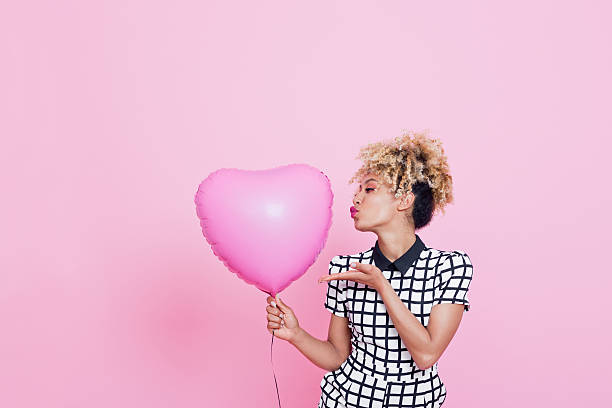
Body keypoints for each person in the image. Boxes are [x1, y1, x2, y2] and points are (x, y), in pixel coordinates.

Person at [265, 130, 474, 407]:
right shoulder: (345, 269)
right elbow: (338, 356)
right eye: (357, 190)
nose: (356, 199)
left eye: (370, 188)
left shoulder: (449, 268)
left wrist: (382, 286)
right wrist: (296, 334)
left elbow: (426, 355)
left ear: (404, 199)